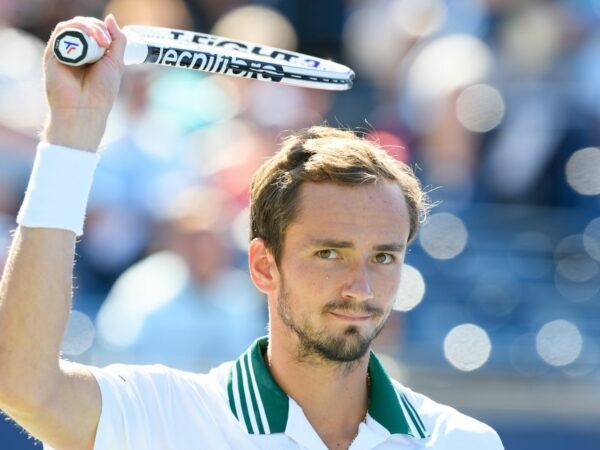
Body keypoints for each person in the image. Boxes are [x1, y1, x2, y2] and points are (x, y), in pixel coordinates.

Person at [0, 15, 504, 450]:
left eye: (384, 257)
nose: (361, 287)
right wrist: (72, 131)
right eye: (330, 253)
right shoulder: (164, 413)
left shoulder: (461, 441)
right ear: (264, 264)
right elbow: (24, 385)